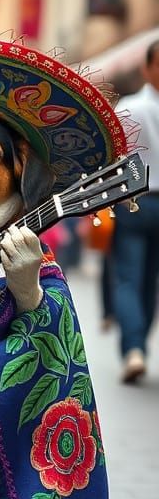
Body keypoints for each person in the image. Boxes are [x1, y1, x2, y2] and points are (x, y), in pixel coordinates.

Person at [111, 39, 159, 383]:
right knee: (149, 279)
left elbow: (113, 158)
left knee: (128, 277)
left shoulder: (129, 107)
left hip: (134, 200)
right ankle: (139, 344)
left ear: (146, 68)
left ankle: (133, 348)